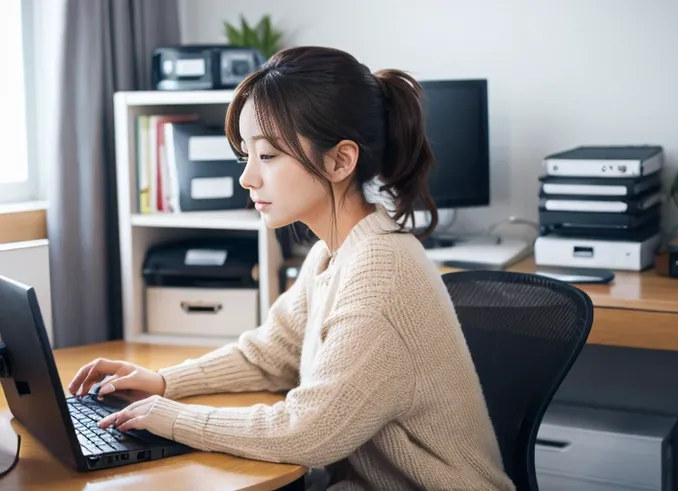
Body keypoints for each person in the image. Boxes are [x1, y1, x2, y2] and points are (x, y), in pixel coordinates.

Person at [69, 46, 514, 491]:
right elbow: (269, 354)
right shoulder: (331, 254)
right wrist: (165, 382)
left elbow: (308, 432)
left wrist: (175, 418)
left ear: (340, 160)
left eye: (267, 156)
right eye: (246, 155)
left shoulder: (383, 276)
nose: (247, 178)